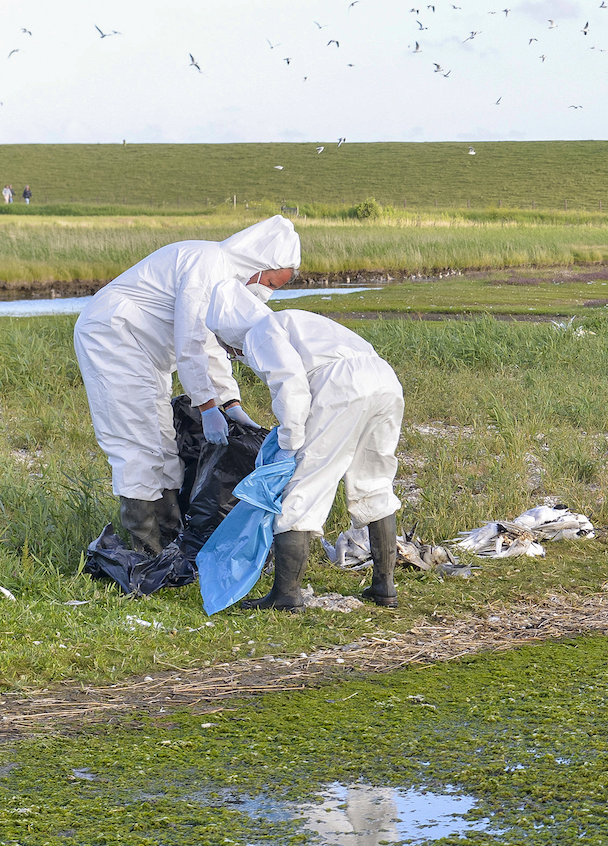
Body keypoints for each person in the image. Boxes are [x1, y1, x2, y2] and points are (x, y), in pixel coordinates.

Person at [72, 215, 300, 554]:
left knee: (163, 445)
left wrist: (231, 404)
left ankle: (170, 542)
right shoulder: (206, 264)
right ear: (257, 262)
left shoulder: (223, 283)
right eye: (270, 282)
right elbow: (191, 341)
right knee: (136, 443)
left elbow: (210, 345)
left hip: (144, 352)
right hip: (113, 337)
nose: (266, 292)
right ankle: (145, 551)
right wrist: (208, 408)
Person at [205, 278, 404, 610]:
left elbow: (291, 385)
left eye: (224, 344)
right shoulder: (294, 319)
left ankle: (286, 595)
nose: (228, 352)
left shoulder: (260, 332)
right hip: (384, 380)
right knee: (374, 482)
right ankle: (384, 587)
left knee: (303, 489)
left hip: (341, 388)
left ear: (229, 328)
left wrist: (290, 441)